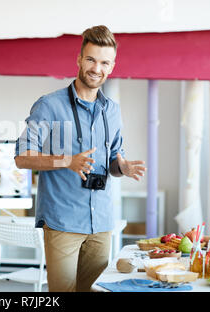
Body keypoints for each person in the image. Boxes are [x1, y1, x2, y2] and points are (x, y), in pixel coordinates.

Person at [14, 25, 146, 292]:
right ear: (79, 59)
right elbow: (22, 156)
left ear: (112, 66)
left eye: (104, 62)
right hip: (63, 221)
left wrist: (122, 166)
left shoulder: (113, 110)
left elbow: (112, 159)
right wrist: (66, 161)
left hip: (101, 224)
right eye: (91, 59)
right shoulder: (49, 105)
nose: (97, 68)